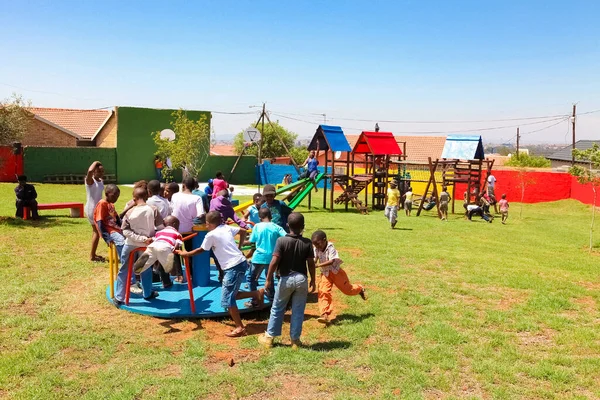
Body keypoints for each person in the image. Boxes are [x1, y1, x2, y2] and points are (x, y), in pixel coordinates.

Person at [177, 211, 265, 337]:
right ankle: (257, 293)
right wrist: (239, 247)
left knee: (227, 300)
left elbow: (201, 250)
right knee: (230, 296)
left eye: (206, 224)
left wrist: (187, 254)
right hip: (239, 263)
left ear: (208, 224)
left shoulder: (211, 235)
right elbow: (242, 231)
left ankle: (240, 327)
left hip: (233, 266)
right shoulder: (226, 228)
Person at [258, 212, 316, 349]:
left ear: (287, 225)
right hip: (302, 279)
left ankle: (269, 338)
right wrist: (313, 279)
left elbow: (274, 261)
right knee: (298, 310)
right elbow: (311, 263)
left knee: (277, 308)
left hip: (285, 279)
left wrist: (268, 279)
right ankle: (295, 341)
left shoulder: (281, 241)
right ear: (303, 227)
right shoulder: (307, 243)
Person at [114, 187, 164, 307]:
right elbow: (161, 228)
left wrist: (139, 238)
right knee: (145, 269)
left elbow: (125, 231)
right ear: (147, 197)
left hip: (130, 244)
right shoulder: (153, 210)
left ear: (134, 199)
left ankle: (119, 297)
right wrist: (148, 239)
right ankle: (147, 293)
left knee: (124, 269)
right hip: (146, 245)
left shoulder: (129, 212)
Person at [312, 230, 366, 325]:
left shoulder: (330, 247)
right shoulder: (316, 248)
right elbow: (315, 258)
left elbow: (332, 261)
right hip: (326, 274)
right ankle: (324, 314)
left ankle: (360, 288)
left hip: (337, 273)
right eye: (315, 245)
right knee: (323, 291)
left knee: (348, 290)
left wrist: (318, 265)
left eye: (318, 244)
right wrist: (313, 262)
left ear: (324, 240)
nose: (317, 247)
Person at [94, 185, 135, 294]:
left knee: (131, 241)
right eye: (114, 195)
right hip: (110, 232)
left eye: (118, 196)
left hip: (117, 230)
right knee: (122, 245)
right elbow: (99, 222)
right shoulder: (102, 204)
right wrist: (106, 238)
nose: (116, 197)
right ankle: (130, 280)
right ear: (107, 194)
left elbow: (117, 219)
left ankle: (132, 275)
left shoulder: (111, 205)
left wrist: (125, 228)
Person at [244, 208, 287, 305]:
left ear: (260, 217)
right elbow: (286, 237)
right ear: (270, 216)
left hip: (258, 257)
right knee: (269, 276)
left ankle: (254, 299)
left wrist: (242, 243)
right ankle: (272, 298)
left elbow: (252, 240)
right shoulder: (276, 227)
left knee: (251, 277)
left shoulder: (257, 227)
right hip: (272, 257)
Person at [171, 178, 206, 282]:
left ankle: (179, 275)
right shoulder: (197, 198)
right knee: (189, 253)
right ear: (194, 187)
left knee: (175, 252)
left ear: (183, 185)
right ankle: (190, 274)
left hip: (175, 229)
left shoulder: (175, 196)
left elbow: (172, 209)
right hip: (189, 230)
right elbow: (200, 215)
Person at [133, 215, 182, 290]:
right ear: (174, 224)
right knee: (167, 267)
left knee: (144, 264)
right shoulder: (177, 233)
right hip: (165, 248)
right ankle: (165, 279)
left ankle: (136, 272)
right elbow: (178, 244)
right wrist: (175, 248)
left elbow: (154, 239)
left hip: (153, 246)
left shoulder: (160, 232)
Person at [85, 161, 105, 262]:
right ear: (94, 172)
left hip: (98, 208)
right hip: (91, 208)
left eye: (102, 171)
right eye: (98, 171)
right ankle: (92, 256)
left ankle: (93, 255)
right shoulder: (90, 181)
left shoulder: (101, 181)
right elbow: (89, 170)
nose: (100, 173)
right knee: (97, 232)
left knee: (96, 232)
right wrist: (96, 162)